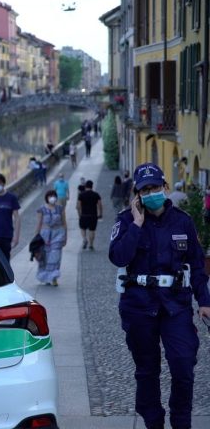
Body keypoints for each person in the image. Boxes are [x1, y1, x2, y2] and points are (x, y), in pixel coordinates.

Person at [109, 162, 210, 429]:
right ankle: (153, 422)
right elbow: (118, 256)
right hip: (139, 307)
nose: (150, 193)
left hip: (175, 306)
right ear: (137, 194)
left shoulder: (183, 221)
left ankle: (181, 423)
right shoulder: (126, 221)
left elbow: (197, 266)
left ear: (165, 187)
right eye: (145, 190)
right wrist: (137, 225)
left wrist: (205, 302)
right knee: (147, 371)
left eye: (155, 187)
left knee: (183, 365)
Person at [34, 190, 67, 286]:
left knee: (56, 256)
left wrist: (65, 236)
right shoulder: (41, 209)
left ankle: (54, 277)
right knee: (45, 257)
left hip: (58, 234)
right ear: (47, 198)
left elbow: (64, 223)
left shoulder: (60, 209)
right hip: (45, 235)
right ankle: (45, 277)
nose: (52, 198)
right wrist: (36, 238)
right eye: (50, 196)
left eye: (54, 196)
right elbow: (39, 224)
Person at [77, 180, 102, 250]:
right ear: (92, 186)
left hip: (84, 215)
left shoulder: (81, 195)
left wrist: (79, 214)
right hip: (93, 215)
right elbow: (100, 205)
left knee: (83, 228)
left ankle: (84, 239)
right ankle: (91, 245)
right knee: (92, 230)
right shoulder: (96, 194)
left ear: (85, 186)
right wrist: (100, 214)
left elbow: (78, 206)